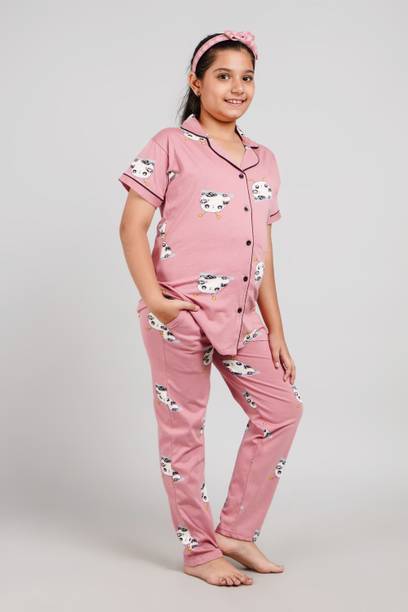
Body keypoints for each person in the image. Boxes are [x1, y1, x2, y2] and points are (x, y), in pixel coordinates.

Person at [118, 30, 304, 587]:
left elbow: (263, 249)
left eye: (247, 78)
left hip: (243, 317)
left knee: (282, 411)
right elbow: (131, 226)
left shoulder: (265, 160)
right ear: (196, 83)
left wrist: (276, 329)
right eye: (224, 76)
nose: (237, 87)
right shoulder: (170, 144)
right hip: (181, 315)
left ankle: (236, 533)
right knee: (184, 435)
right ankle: (199, 552)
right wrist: (157, 301)